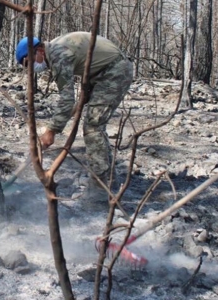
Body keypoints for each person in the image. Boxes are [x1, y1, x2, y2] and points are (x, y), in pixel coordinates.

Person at [15, 32, 133, 204]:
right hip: (102, 72)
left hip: (114, 70)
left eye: (29, 61)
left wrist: (52, 130)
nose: (31, 67)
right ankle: (108, 178)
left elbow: (66, 98)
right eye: (26, 66)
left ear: (39, 49)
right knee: (95, 125)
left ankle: (99, 190)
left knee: (93, 126)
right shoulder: (54, 49)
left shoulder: (57, 54)